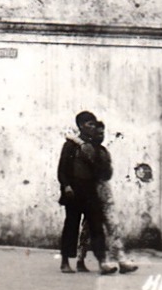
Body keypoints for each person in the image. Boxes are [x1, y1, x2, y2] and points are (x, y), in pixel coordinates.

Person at [75, 120, 136, 274]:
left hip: (105, 193)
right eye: (98, 133)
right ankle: (82, 259)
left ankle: (121, 260)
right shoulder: (85, 149)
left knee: (113, 226)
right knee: (89, 229)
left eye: (102, 133)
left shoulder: (103, 151)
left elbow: (107, 174)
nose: (101, 136)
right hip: (90, 194)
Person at [57, 110, 105, 273]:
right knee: (71, 225)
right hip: (74, 191)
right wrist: (66, 186)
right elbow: (62, 170)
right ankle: (65, 261)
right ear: (80, 126)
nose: (92, 127)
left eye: (94, 124)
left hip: (90, 191)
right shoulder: (70, 146)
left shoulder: (93, 146)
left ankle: (99, 262)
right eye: (89, 124)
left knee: (96, 227)